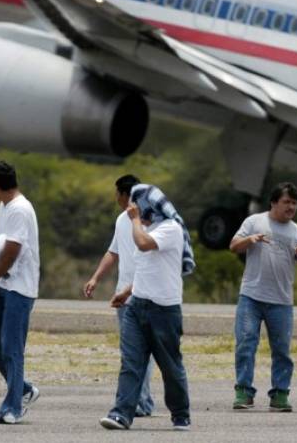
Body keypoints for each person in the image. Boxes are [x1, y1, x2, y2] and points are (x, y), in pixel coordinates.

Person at [99, 184, 194, 431]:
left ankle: (181, 413)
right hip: (136, 305)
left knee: (170, 367)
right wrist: (126, 293)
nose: (133, 208)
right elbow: (144, 267)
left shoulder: (171, 229)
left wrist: (134, 221)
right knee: (131, 362)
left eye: (137, 204)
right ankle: (121, 413)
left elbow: (143, 244)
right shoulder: (147, 227)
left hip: (164, 310)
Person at [230, 182, 297, 412]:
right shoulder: (254, 221)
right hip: (251, 296)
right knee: (246, 343)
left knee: (282, 350)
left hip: (281, 300)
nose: (291, 207)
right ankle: (244, 393)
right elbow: (234, 246)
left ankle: (280, 394)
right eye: (287, 202)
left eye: (294, 203)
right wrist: (251, 240)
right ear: (274, 202)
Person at [83, 174, 155, 417]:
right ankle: (141, 401)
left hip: (145, 294)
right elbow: (112, 252)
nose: (116, 198)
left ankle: (142, 402)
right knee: (130, 351)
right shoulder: (121, 220)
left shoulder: (150, 221)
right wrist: (95, 278)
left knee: (143, 350)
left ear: (126, 195)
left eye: (118, 193)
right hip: (123, 297)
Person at [0, 161, 40, 424]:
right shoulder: (4, 206)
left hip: (20, 289)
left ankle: (14, 406)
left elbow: (12, 251)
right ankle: (24, 389)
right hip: (2, 284)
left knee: (12, 348)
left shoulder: (20, 209)